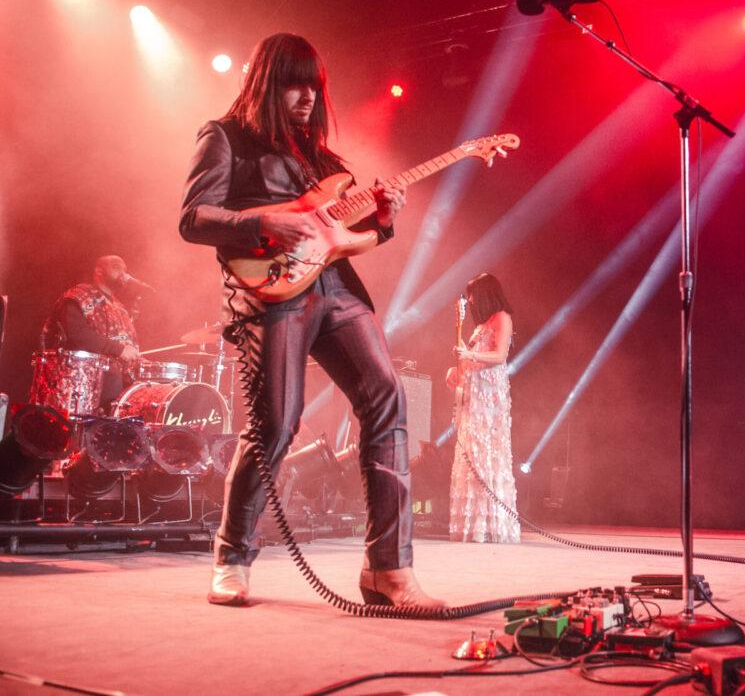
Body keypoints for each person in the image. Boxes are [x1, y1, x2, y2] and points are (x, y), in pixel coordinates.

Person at [180, 32, 442, 609]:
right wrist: (265, 222)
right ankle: (232, 555)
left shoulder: (321, 160)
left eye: (315, 88)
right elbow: (194, 218)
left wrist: (383, 221)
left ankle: (389, 569)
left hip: (338, 290)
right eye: (295, 86)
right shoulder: (225, 137)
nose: (308, 98)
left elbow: (346, 238)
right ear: (267, 83)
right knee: (276, 423)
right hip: (272, 294)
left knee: (387, 399)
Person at [444, 272, 519, 543]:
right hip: (473, 396)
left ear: (486, 293)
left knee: (487, 454)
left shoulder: (502, 318)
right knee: (472, 453)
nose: (472, 300)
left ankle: (491, 525)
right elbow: (471, 361)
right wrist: (457, 369)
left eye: (473, 294)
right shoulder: (480, 326)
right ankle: (473, 524)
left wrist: (470, 354)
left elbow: (500, 355)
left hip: (489, 399)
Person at [39, 255, 141, 406]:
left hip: (115, 381)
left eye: (125, 270)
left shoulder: (119, 307)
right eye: (116, 267)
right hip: (78, 380)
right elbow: (78, 334)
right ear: (99, 271)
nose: (123, 273)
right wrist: (118, 349)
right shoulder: (78, 295)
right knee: (112, 378)